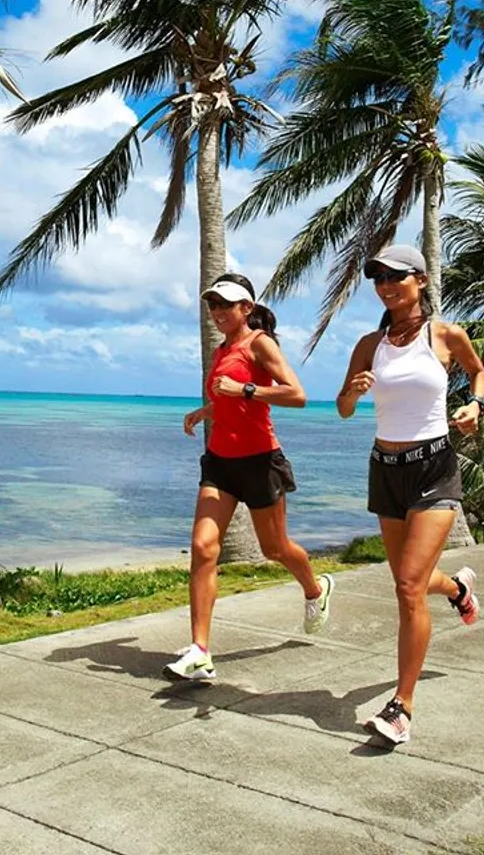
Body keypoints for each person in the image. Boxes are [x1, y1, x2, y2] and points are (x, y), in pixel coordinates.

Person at [335, 244, 484, 746]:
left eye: (395, 276)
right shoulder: (368, 344)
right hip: (385, 470)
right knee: (411, 580)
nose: (385, 285)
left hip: (434, 468)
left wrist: (474, 404)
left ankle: (402, 707)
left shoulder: (445, 334)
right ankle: (460, 590)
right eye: (377, 278)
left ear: (420, 279)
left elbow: (478, 372)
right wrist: (353, 392)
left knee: (406, 589)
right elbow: (343, 408)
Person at [163, 273, 333, 681]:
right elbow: (226, 396)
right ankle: (200, 650)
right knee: (204, 548)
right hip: (220, 462)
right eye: (213, 305)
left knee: (274, 548)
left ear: (247, 309)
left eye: (226, 304)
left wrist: (246, 391)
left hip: (260, 462)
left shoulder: (260, 344)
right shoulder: (222, 349)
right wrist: (206, 411)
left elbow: (297, 395)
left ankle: (315, 589)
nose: (218, 312)